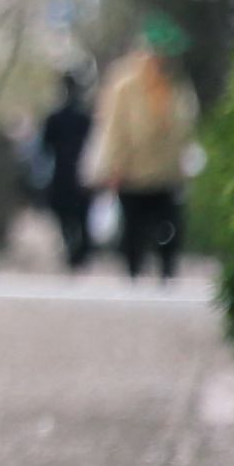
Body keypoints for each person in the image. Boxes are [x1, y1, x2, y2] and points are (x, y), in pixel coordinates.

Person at [85, 27, 198, 279]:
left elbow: (186, 123)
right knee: (133, 226)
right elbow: (114, 127)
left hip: (167, 170)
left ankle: (166, 271)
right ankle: (133, 270)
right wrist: (112, 166)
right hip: (132, 170)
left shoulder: (176, 84)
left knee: (168, 225)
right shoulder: (124, 84)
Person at [35, 71, 96, 267]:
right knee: (79, 216)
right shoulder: (84, 117)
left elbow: (44, 147)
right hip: (78, 173)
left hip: (65, 173)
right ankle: (79, 249)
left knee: (67, 215)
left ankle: (75, 249)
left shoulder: (56, 117)